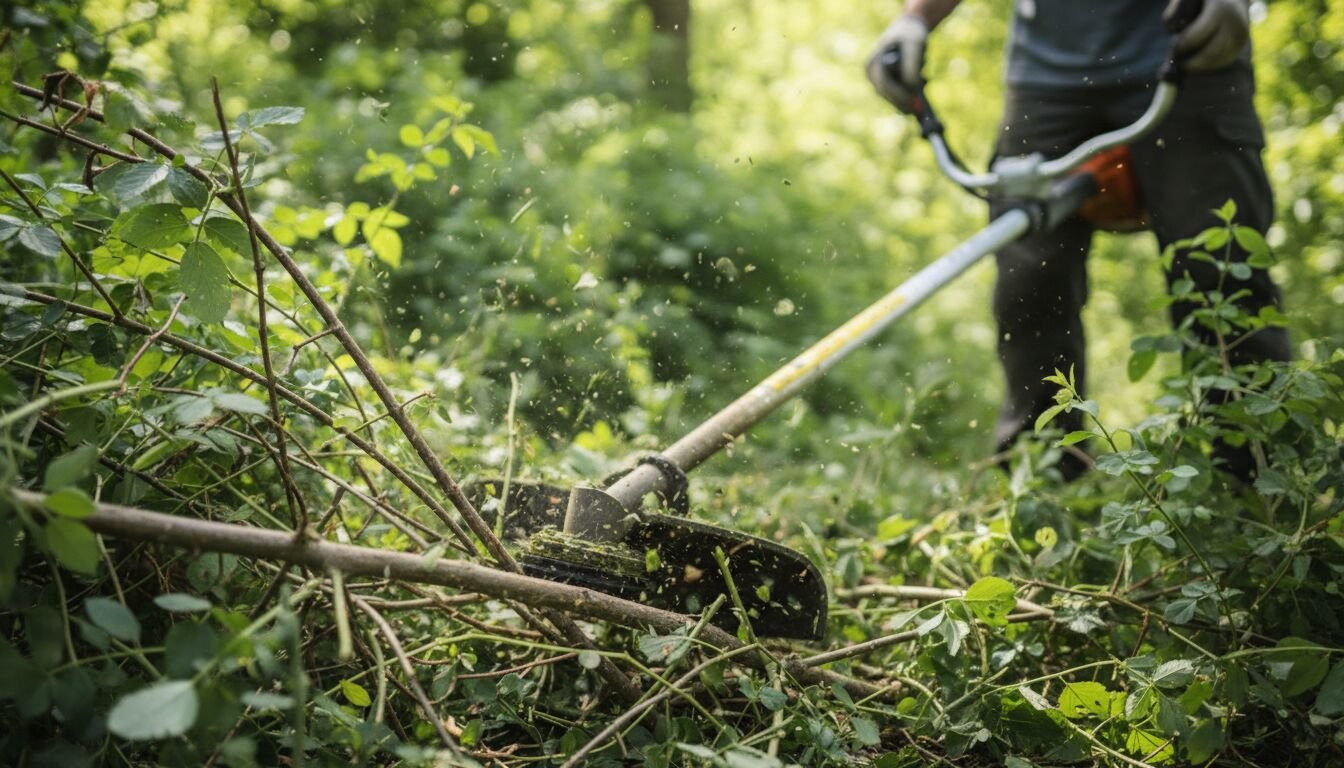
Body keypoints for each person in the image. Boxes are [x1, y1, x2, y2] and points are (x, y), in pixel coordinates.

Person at [866, 0, 1291, 479]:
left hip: (1189, 53)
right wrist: (915, 19)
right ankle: (1042, 478)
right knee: (1028, 281)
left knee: (1219, 271)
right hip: (1047, 78)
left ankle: (1253, 482)